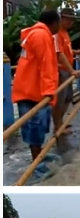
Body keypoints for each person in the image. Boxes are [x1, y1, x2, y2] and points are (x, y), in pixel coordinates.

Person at [12, 9, 61, 164]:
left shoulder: (36, 34)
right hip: (33, 92)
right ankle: (37, 165)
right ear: (54, 23)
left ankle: (38, 159)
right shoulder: (41, 36)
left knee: (35, 131)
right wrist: (49, 93)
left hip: (27, 89)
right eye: (59, 22)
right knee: (35, 131)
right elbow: (46, 66)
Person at [52, 8, 80, 136]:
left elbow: (67, 51)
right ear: (61, 18)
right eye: (68, 19)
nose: (71, 22)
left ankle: (60, 122)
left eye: (72, 20)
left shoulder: (65, 33)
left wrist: (77, 52)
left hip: (67, 71)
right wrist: (72, 70)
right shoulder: (57, 33)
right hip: (61, 71)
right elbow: (59, 54)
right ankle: (57, 126)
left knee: (68, 98)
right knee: (60, 100)